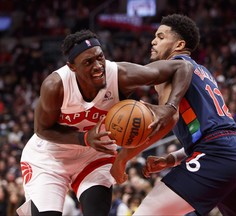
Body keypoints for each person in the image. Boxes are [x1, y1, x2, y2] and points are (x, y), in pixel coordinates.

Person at [16, 29, 193, 216]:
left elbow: (183, 68)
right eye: (88, 62)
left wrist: (171, 106)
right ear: (72, 67)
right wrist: (84, 138)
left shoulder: (120, 75)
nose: (98, 65)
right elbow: (42, 130)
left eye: (100, 57)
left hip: (95, 156)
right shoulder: (55, 85)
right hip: (50, 158)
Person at [110, 14, 236, 216]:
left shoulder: (170, 69)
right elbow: (208, 131)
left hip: (218, 153)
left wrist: (123, 157)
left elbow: (167, 121)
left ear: (179, 44)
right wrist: (171, 159)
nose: (153, 41)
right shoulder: (203, 71)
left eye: (161, 37)